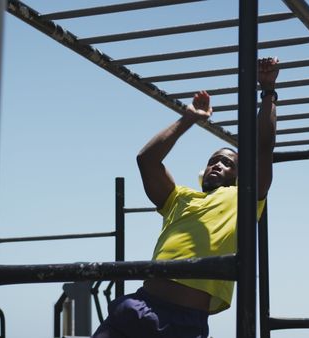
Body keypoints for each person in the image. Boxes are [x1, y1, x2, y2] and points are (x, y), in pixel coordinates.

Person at [91, 57, 279, 338]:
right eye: (214, 160)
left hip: (182, 324)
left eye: (228, 163)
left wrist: (267, 92)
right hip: (138, 307)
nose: (218, 164)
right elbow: (147, 160)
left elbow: (264, 146)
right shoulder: (179, 198)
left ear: (239, 177)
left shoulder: (245, 199)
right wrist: (188, 119)